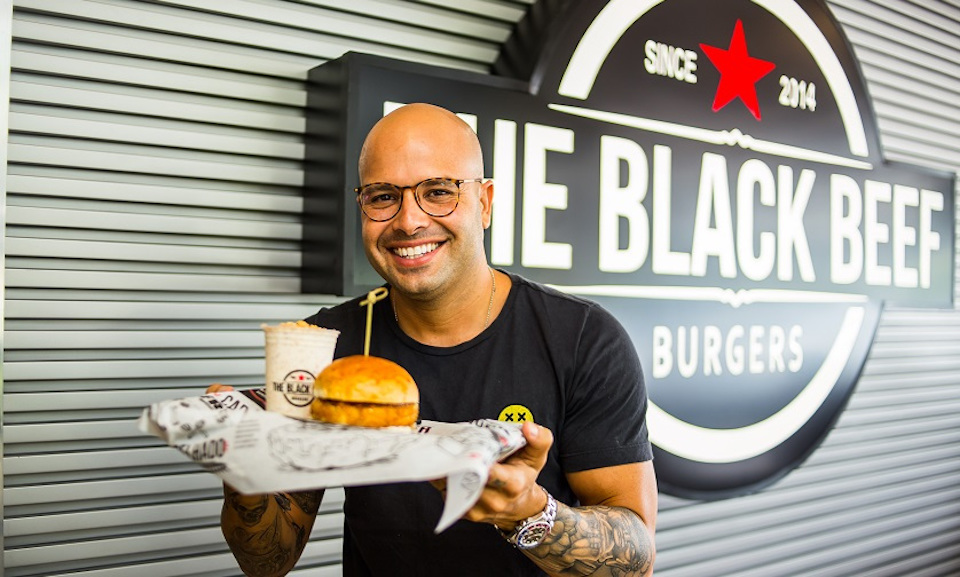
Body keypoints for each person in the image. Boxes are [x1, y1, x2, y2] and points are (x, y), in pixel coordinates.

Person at [212, 103, 658, 576]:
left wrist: (529, 512)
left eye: (439, 191)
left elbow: (636, 562)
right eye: (383, 196)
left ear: (484, 203)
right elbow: (267, 560)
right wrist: (246, 473)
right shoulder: (324, 345)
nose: (408, 221)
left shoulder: (584, 339)